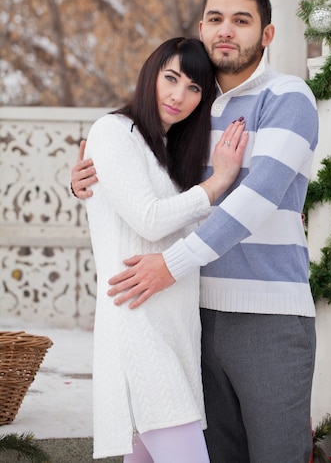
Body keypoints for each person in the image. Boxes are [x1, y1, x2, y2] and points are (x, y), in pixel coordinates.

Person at [72, 0, 319, 463]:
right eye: (215, 19)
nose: (226, 30)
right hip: (191, 316)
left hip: (266, 314)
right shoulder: (188, 116)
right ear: (201, 29)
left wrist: (171, 265)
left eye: (241, 21)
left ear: (266, 35)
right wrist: (89, 178)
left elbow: (255, 198)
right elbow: (149, 190)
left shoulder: (288, 97)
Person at [82, 36, 248, 463]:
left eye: (194, 88)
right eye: (171, 78)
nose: (179, 96)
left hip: (175, 336)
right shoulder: (113, 132)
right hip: (140, 333)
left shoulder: (170, 157)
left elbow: (192, 231)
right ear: (150, 74)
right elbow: (149, 219)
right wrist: (218, 183)